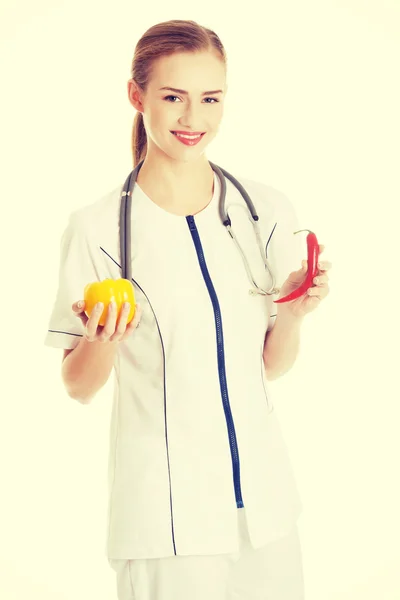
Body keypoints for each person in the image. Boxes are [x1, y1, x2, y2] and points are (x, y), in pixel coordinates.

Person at [44, 18, 331, 600]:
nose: (192, 119)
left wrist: (295, 312)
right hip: (165, 518)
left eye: (210, 99)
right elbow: (78, 386)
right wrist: (103, 338)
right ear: (137, 96)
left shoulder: (264, 211)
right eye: (173, 97)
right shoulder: (98, 229)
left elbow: (267, 367)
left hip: (266, 512)